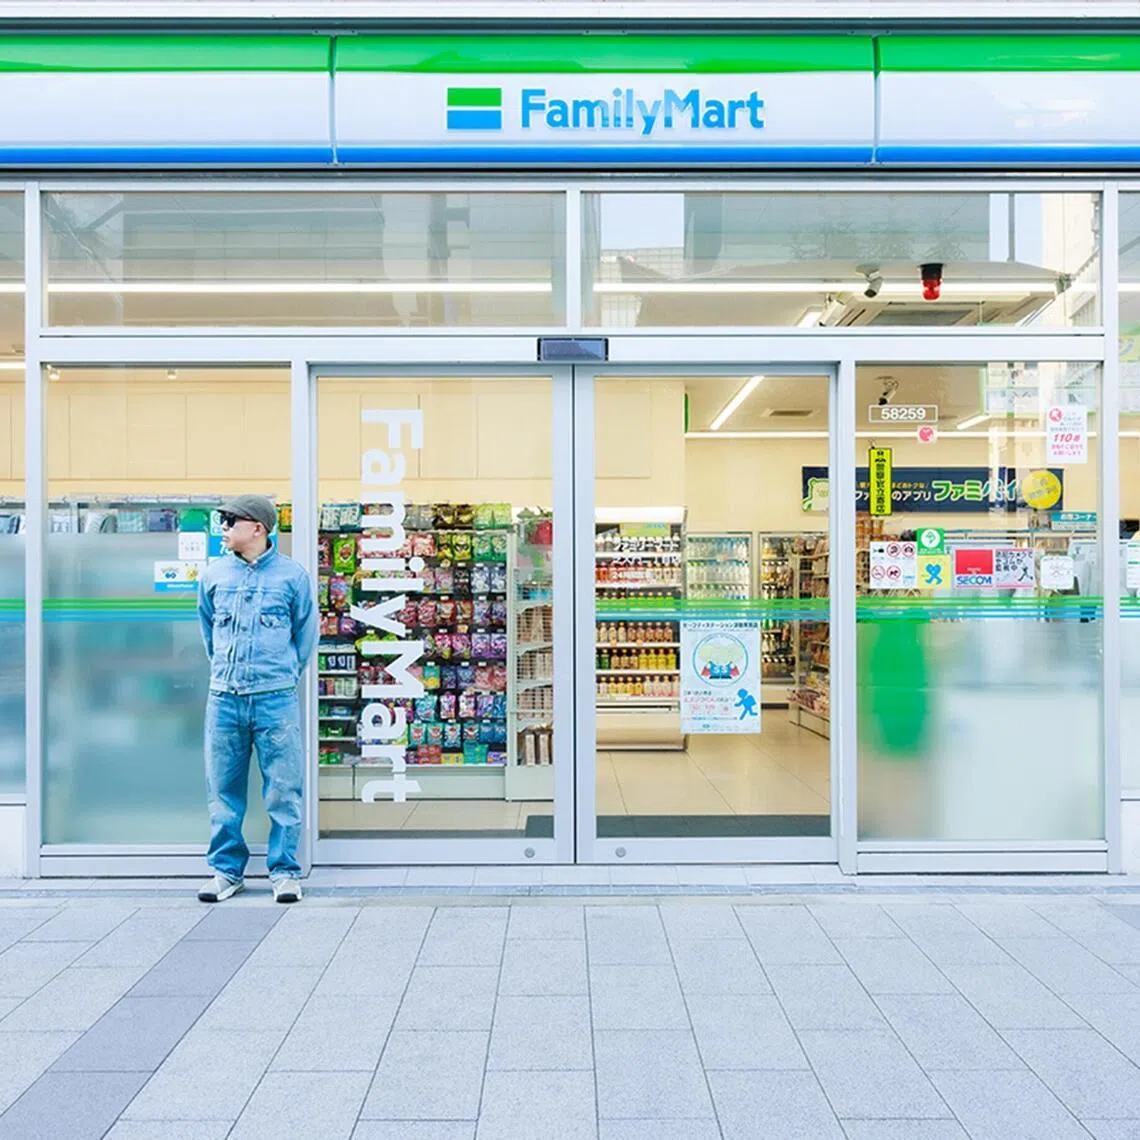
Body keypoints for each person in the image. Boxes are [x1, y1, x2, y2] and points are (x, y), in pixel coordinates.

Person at [196, 494, 317, 904]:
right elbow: (208, 632)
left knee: (284, 789)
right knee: (222, 790)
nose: (224, 528)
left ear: (259, 528)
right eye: (222, 520)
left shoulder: (292, 578)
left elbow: (305, 638)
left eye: (231, 520)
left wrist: (281, 676)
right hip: (224, 698)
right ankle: (226, 871)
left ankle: (284, 871)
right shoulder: (213, 575)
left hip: (275, 700)